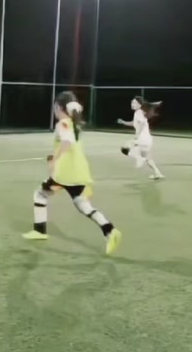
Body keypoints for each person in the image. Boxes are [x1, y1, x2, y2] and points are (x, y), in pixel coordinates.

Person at [23, 91, 123, 256]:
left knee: (40, 194)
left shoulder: (63, 123)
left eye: (55, 107)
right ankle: (109, 230)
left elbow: (67, 142)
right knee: (82, 204)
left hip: (64, 174)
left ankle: (39, 231)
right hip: (79, 173)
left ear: (58, 107)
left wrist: (54, 160)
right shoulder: (74, 124)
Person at [117, 96, 165, 180]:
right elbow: (134, 123)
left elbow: (142, 123)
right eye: (132, 102)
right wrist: (124, 122)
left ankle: (139, 158)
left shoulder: (138, 112)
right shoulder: (139, 113)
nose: (132, 104)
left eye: (134, 103)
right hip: (147, 140)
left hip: (143, 139)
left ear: (139, 105)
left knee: (124, 148)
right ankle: (158, 173)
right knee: (148, 158)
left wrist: (137, 135)